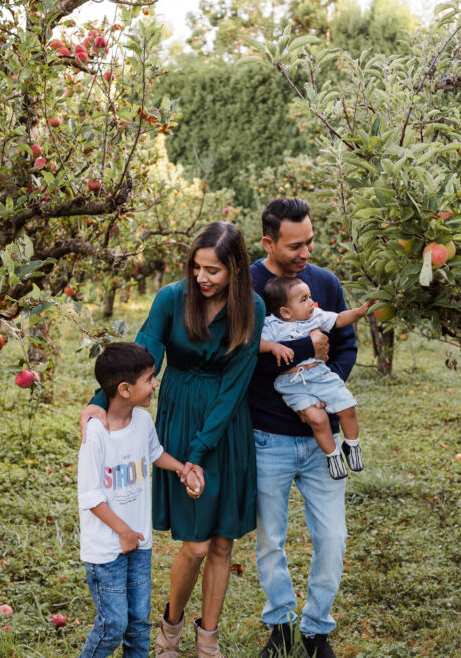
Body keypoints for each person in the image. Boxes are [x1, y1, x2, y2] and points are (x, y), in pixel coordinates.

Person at [80, 221, 265, 658]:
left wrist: (202, 452)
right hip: (180, 419)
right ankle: (170, 629)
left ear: (235, 270)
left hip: (226, 425)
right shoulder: (170, 299)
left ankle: (208, 642)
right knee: (196, 543)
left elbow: (235, 386)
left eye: (214, 270)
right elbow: (143, 354)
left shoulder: (251, 309)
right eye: (197, 267)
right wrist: (100, 403)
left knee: (222, 541)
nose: (202, 277)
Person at [249, 197, 357, 658]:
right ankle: (281, 625)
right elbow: (241, 356)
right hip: (267, 436)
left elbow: (345, 346)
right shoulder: (247, 287)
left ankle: (316, 628)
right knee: (270, 540)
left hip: (321, 440)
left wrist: (318, 394)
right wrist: (303, 359)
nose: (306, 253)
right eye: (296, 245)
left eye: (310, 241)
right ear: (268, 242)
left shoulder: (325, 285)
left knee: (332, 538)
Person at [78, 342, 204, 658]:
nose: (154, 384)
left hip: (139, 544)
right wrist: (122, 531)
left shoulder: (143, 422)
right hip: (107, 550)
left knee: (137, 626)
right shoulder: (96, 434)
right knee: (113, 625)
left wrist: (181, 469)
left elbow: (153, 453)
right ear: (124, 389)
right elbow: (91, 495)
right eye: (149, 379)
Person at [259, 275, 374, 480]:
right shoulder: (272, 325)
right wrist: (273, 346)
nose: (311, 302)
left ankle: (352, 445)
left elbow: (339, 319)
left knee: (347, 406)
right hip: (292, 383)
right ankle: (333, 456)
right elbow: (254, 344)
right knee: (317, 419)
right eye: (303, 299)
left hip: (320, 375)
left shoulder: (316, 316)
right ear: (285, 312)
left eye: (310, 296)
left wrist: (360, 311)